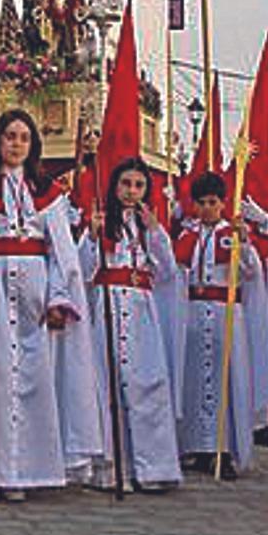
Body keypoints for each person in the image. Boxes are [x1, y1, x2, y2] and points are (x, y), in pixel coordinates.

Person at [0, 108, 96, 500]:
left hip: (33, 301)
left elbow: (62, 253)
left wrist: (59, 297)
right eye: (10, 136)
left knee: (32, 381)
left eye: (24, 138)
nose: (16, 144)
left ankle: (24, 473)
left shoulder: (47, 194)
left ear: (33, 145)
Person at [175, 171, 268, 481]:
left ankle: (223, 449)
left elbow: (251, 272)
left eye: (213, 202)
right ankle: (198, 446)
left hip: (226, 314)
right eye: (201, 203)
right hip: (194, 315)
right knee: (196, 382)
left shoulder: (233, 234)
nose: (207, 208)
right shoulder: (187, 236)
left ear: (223, 203)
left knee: (226, 381)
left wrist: (245, 243)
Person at [80, 156, 182, 493]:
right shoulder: (101, 221)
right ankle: (110, 468)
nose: (131, 191)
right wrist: (91, 236)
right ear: (115, 186)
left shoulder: (147, 226)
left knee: (147, 383)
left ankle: (151, 468)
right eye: (126, 184)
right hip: (108, 306)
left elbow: (166, 271)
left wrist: (155, 232)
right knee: (106, 383)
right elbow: (83, 270)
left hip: (140, 311)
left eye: (138, 185)